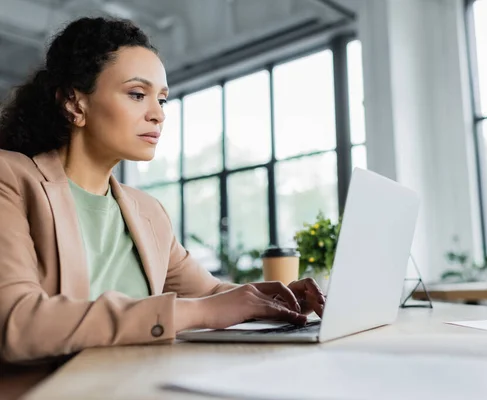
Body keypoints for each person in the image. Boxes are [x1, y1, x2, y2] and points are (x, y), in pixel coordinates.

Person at [0, 16, 325, 365]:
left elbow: (210, 293)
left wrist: (275, 299)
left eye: (163, 99)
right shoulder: (11, 178)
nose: (157, 114)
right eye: (137, 94)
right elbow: (16, 322)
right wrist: (197, 312)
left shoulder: (147, 211)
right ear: (74, 104)